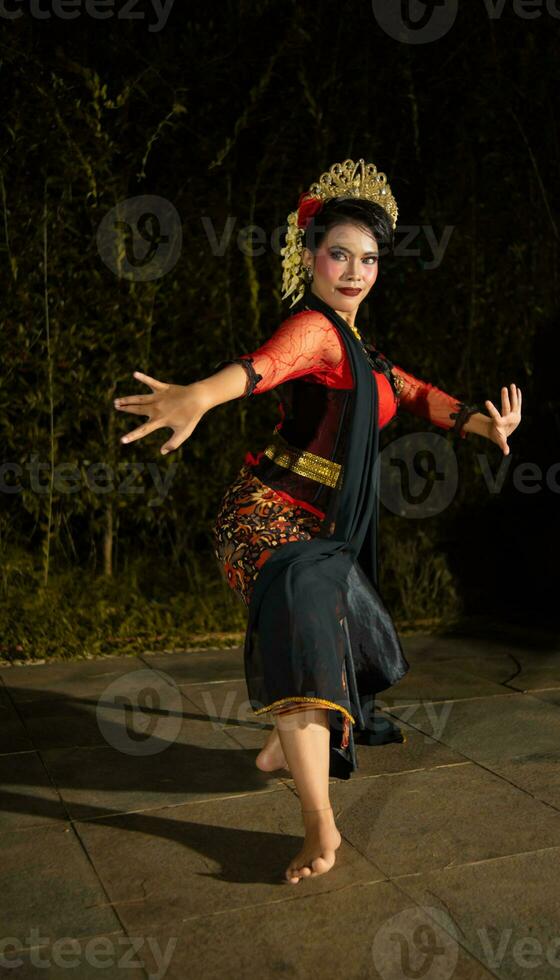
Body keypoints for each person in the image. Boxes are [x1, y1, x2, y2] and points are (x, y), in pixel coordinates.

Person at [113, 158, 522, 885]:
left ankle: (281, 746)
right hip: (261, 518)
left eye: (369, 259)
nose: (355, 271)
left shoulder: (366, 354)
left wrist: (482, 427)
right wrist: (201, 396)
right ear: (310, 258)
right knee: (308, 637)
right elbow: (264, 365)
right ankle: (319, 825)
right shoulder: (318, 330)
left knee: (346, 640)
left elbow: (420, 395)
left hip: (319, 533)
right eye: (340, 254)